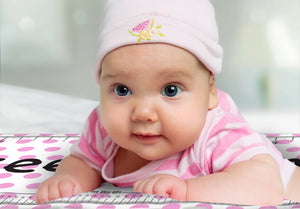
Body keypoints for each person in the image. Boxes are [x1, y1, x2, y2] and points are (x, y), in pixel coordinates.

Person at [35, 0, 300, 206]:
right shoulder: (102, 127)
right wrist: (68, 179)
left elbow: (267, 186)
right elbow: (84, 161)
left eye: (170, 90)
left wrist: (187, 191)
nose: (143, 112)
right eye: (122, 89)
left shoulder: (217, 134)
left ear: (209, 91)